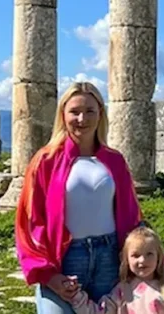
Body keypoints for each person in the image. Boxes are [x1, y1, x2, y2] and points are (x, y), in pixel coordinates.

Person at [15, 81, 145, 313]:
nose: (82, 119)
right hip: (64, 261)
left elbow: (131, 215)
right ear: (63, 115)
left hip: (109, 258)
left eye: (89, 111)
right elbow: (30, 221)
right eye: (74, 112)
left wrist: (150, 259)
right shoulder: (45, 161)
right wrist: (48, 275)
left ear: (100, 114)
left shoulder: (115, 160)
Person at [67, 227, 164, 314]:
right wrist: (77, 296)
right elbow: (100, 312)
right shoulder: (122, 290)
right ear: (126, 259)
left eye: (149, 254)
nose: (142, 260)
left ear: (159, 257)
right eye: (136, 255)